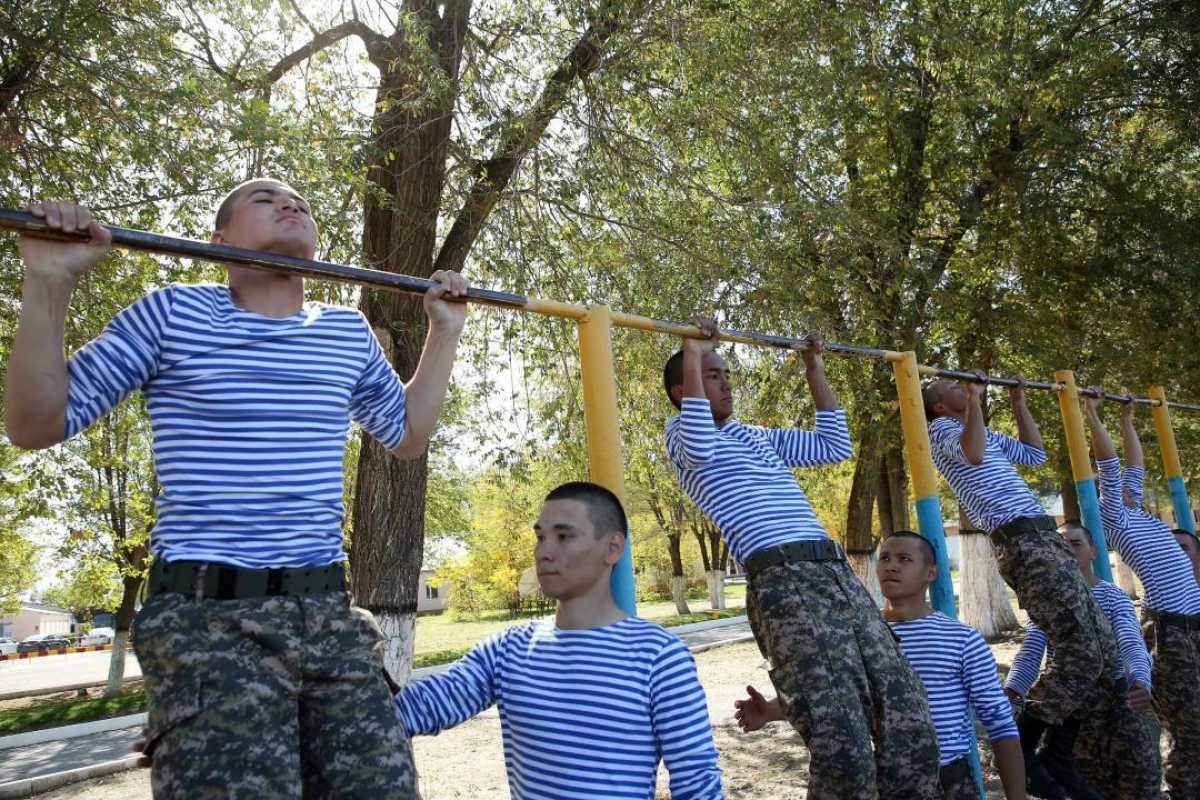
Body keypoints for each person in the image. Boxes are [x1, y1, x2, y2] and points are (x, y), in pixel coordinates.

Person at [6, 184, 468, 799]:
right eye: (264, 199)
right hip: (209, 619)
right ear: (219, 243)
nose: (292, 205)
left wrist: (446, 330)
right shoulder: (170, 314)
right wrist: (49, 280)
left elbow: (407, 435)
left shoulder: (345, 332)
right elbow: (35, 424)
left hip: (329, 614)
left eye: (302, 202)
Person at [664, 318, 940, 800]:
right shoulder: (683, 440)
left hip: (834, 574)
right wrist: (691, 350)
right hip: (783, 583)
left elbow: (834, 446)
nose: (727, 381)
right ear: (681, 389)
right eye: (712, 375)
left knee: (907, 714)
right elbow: (700, 440)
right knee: (842, 743)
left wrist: (814, 368)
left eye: (727, 373)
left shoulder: (757, 436)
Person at [394, 482, 724, 799]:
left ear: (612, 548)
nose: (544, 552)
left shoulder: (659, 658)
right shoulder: (509, 649)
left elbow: (697, 784)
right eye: (540, 537)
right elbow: (425, 705)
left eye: (563, 536)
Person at [923, 374, 1119, 798]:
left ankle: (1057, 753)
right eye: (953, 386)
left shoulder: (980, 428)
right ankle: (1024, 748)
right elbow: (972, 455)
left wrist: (1017, 402)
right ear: (940, 405)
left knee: (1102, 647)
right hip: (1023, 543)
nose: (962, 386)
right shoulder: (941, 431)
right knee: (1081, 652)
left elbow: (1034, 453)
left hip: (1043, 538)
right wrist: (975, 400)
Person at [734, 531, 1028, 800]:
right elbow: (844, 699)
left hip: (943, 783)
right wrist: (774, 710)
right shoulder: (853, 632)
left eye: (904, 559)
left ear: (931, 572)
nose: (891, 566)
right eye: (884, 558)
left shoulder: (962, 640)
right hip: (871, 783)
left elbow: (999, 722)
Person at [1084, 391, 1200, 798]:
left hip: (1193, 623)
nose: (1131, 487)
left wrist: (1127, 416)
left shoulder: (1136, 509)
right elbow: (1112, 464)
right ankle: (1185, 789)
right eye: (1121, 488)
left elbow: (1135, 463)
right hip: (1170, 627)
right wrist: (1092, 413)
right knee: (1189, 721)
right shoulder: (1115, 516)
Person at [1005, 521, 1161, 799]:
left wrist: (1139, 677)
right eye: (1061, 545)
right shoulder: (1050, 602)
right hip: (1072, 712)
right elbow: (1031, 649)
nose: (1068, 550)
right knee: (1083, 786)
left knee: (1138, 786)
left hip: (1120, 705)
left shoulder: (1112, 597)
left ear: (1094, 552)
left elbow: (1129, 639)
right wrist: (1014, 687)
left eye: (1075, 544)